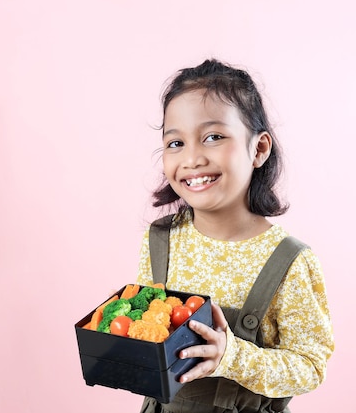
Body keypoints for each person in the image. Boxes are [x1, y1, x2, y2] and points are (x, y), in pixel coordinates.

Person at [135, 59, 335, 413]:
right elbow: (152, 336)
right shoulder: (161, 241)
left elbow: (310, 366)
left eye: (213, 137)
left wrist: (232, 355)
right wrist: (127, 324)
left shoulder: (288, 260)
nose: (193, 158)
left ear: (258, 149)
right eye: (176, 142)